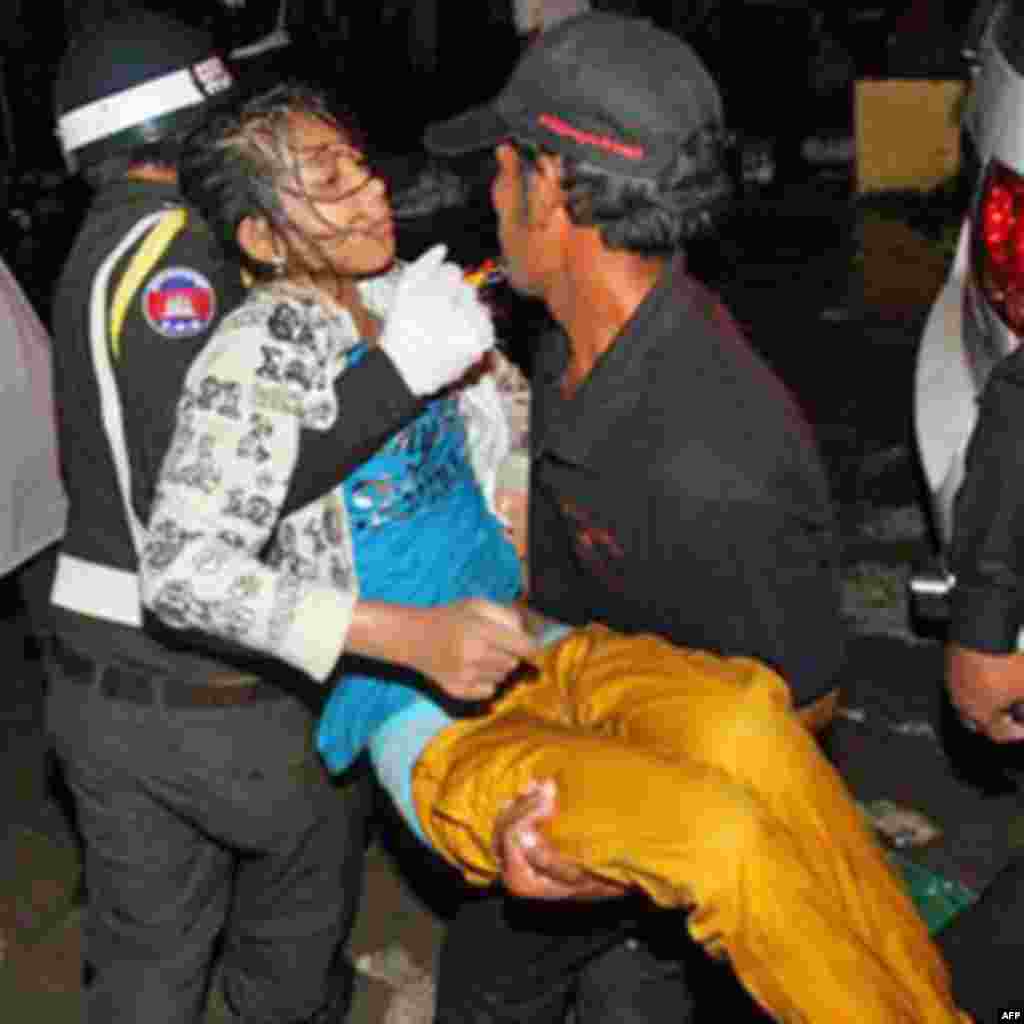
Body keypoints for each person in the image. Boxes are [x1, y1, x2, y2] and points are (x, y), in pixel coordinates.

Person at [152, 75, 970, 1024]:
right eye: (328, 181)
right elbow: (181, 571)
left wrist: (511, 494)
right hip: (427, 722)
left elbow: (503, 415)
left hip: (539, 644)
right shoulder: (255, 353)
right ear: (261, 235)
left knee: (758, 724)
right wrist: (408, 637)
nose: (372, 190)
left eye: (360, 164)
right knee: (713, 835)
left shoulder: (402, 296)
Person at [43, 13, 522, 1024]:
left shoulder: (97, 244)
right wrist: (396, 378)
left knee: (145, 968)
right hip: (212, 685)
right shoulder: (189, 254)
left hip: (98, 686)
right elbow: (224, 497)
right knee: (292, 944)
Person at [422, 11, 850, 1022]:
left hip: (668, 809)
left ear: (559, 186)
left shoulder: (709, 451)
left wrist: (612, 863)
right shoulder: (575, 338)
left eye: (502, 168)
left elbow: (800, 713)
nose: (489, 196)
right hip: (594, 733)